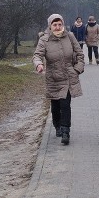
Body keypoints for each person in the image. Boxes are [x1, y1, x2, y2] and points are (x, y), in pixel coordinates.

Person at [33, 13, 84, 145]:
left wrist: (77, 69)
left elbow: (79, 54)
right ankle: (57, 125)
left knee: (65, 105)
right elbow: (37, 55)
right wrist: (38, 64)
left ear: (63, 24)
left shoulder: (70, 36)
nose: (57, 27)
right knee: (55, 107)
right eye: (54, 25)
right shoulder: (44, 40)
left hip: (68, 77)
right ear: (50, 26)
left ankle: (66, 131)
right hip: (53, 78)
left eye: (59, 24)